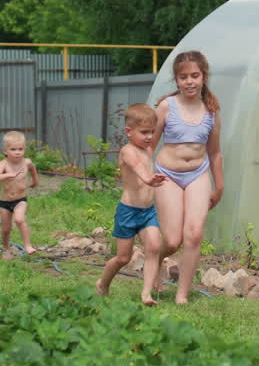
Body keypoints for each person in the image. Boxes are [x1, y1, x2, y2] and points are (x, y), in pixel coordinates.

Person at [152, 50, 223, 304]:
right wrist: (143, 175)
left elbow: (214, 153)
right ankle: (157, 259)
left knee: (193, 234)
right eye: (184, 77)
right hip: (167, 175)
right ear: (177, 80)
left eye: (195, 75)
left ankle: (182, 295)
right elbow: (149, 145)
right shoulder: (166, 107)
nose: (189, 81)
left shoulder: (211, 111)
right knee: (172, 240)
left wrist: (219, 186)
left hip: (197, 175)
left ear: (203, 77)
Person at [95, 103, 168, 305]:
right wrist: (148, 178)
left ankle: (146, 294)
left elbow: (146, 163)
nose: (149, 137)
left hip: (148, 212)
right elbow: (137, 168)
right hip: (128, 211)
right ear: (129, 131)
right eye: (144, 132)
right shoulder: (128, 151)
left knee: (153, 247)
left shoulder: (147, 150)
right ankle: (103, 283)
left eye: (152, 132)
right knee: (123, 258)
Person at [0, 130, 38, 258]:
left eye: (20, 149)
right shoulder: (3, 164)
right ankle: (6, 249)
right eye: (13, 149)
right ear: (6, 151)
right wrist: (7, 174)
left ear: (24, 150)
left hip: (20, 200)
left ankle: (28, 246)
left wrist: (35, 180)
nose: (17, 152)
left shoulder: (26, 162)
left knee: (19, 219)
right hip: (5, 202)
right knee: (6, 230)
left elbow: (33, 169)